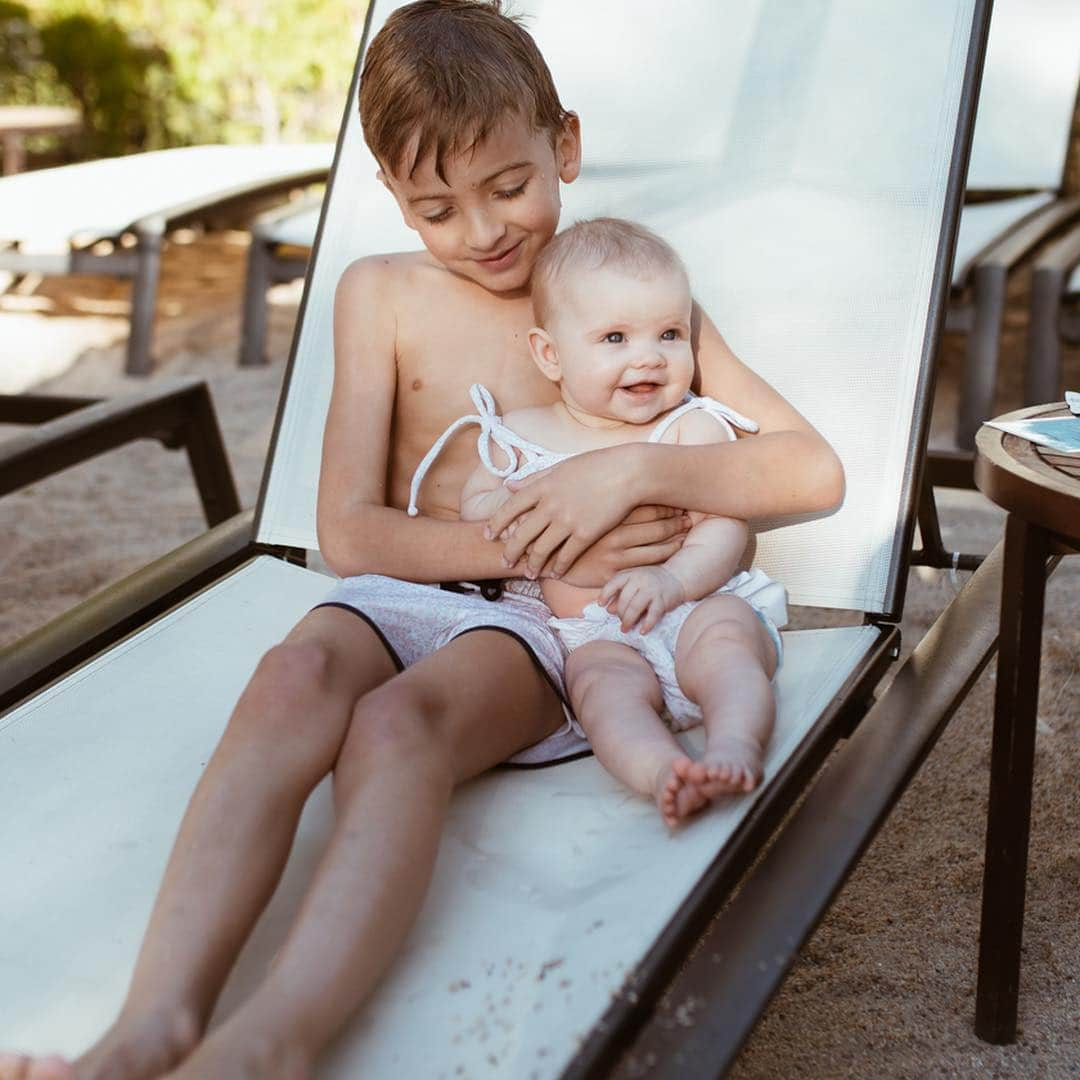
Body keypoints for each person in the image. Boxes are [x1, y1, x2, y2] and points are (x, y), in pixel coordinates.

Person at [0, 3, 842, 1078]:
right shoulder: (379, 296)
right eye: (437, 206)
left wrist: (630, 469)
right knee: (295, 671)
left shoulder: (613, 290)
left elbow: (810, 469)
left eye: (507, 187)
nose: (485, 231)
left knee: (399, 728)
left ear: (565, 147)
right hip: (421, 582)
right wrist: (515, 540)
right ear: (393, 198)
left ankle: (271, 1044)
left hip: (553, 624)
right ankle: (150, 1027)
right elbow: (349, 531)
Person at [411, 218, 789, 828]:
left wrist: (676, 582)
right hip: (595, 634)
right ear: (550, 355)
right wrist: (501, 516)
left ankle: (735, 746)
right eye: (615, 338)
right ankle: (663, 772)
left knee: (729, 649)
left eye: (669, 334)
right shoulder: (521, 437)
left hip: (695, 606)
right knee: (599, 695)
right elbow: (479, 511)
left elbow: (725, 527)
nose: (648, 357)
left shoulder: (687, 428)